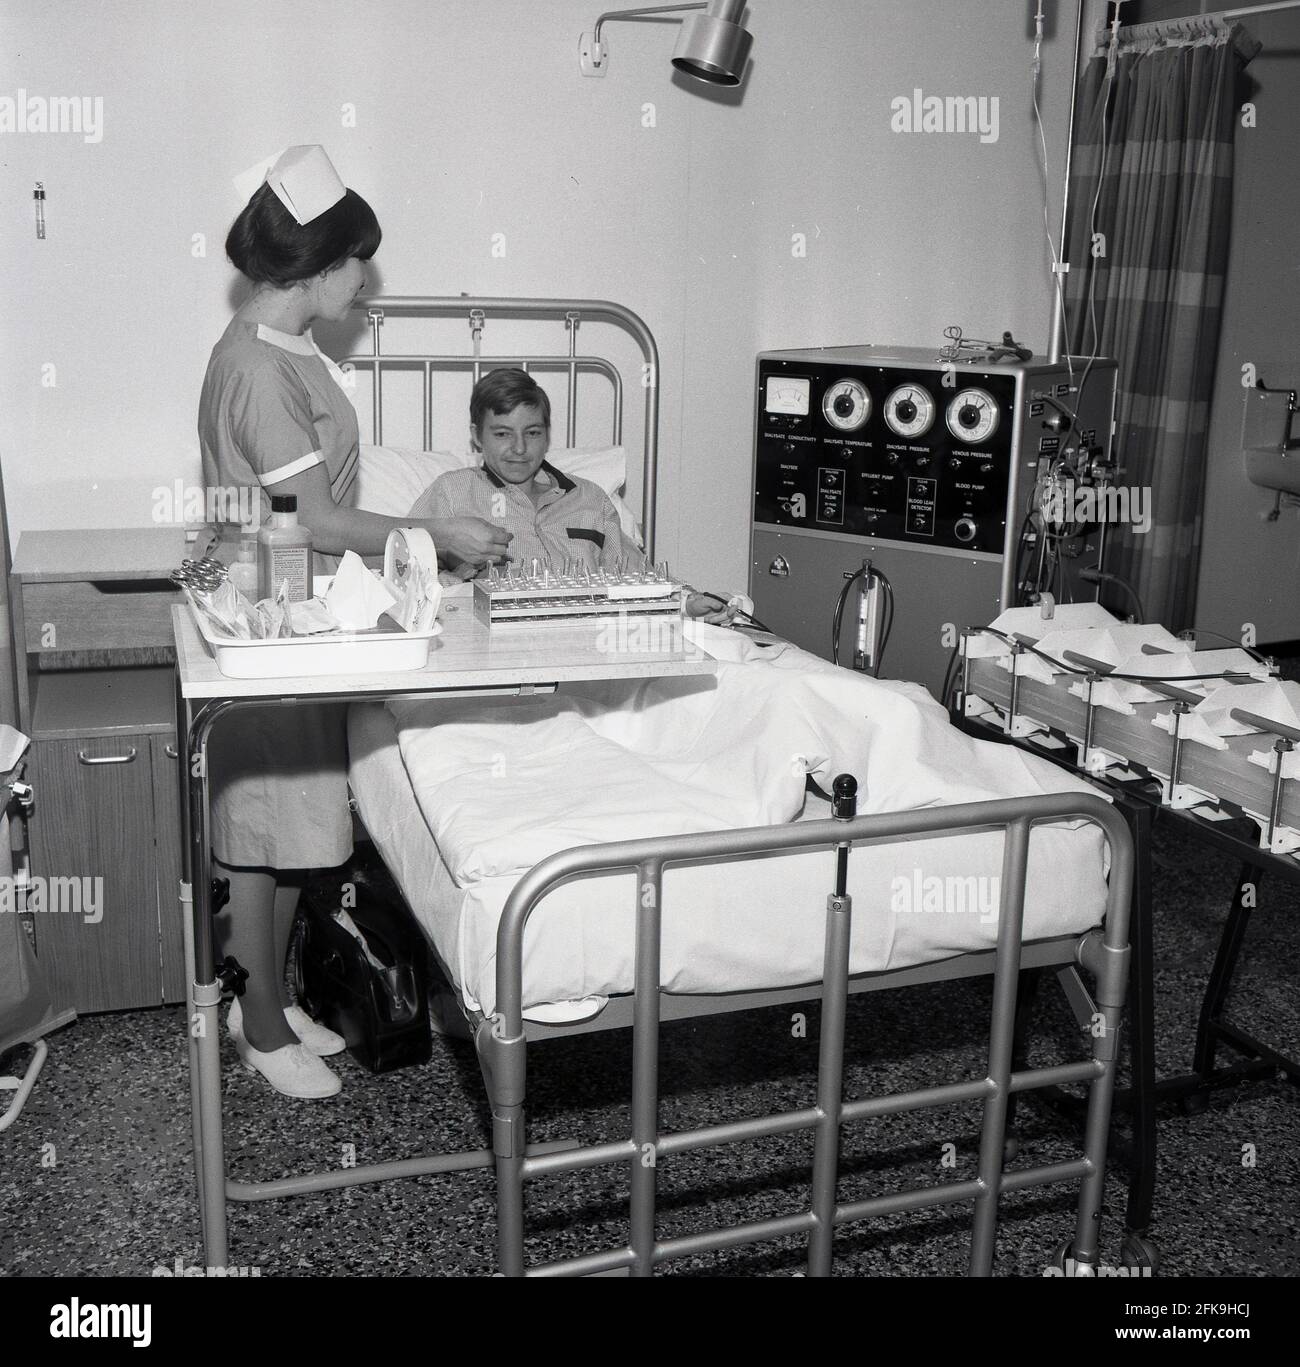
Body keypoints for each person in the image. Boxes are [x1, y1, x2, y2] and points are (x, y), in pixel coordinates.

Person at [197, 146, 510, 1098]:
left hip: (303, 606)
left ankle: (271, 1001)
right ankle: (253, 1026)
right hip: (269, 606)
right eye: (357, 262)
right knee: (259, 830)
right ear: (317, 265)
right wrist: (435, 530)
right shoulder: (256, 367)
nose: (366, 281)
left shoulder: (288, 350)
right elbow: (314, 520)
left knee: (296, 820)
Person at [410, 368, 740, 622]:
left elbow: (636, 575)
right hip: (495, 648)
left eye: (533, 433)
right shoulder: (453, 493)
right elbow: (402, 570)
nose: (520, 448)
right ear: (477, 438)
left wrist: (687, 602)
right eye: (502, 434)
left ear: (547, 434)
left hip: (589, 643)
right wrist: (460, 578)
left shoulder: (589, 499)